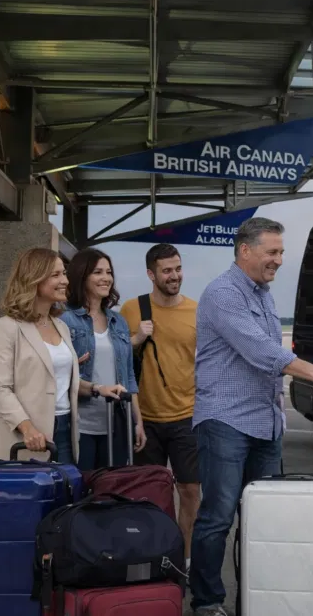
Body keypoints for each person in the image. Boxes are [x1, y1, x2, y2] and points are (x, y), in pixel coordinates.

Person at [189, 217, 313, 616]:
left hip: (265, 423)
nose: (278, 260)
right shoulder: (223, 293)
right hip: (225, 421)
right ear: (245, 250)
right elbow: (262, 352)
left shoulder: (262, 294)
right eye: (271, 252)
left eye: (281, 252)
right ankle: (207, 602)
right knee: (218, 517)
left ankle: (261, 597)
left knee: (266, 520)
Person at [0, 247, 126, 463]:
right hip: (25, 437)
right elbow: (0, 390)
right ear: (34, 279)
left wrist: (98, 388)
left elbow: (62, 381)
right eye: (56, 275)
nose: (66, 281)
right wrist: (27, 428)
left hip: (66, 430)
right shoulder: (5, 328)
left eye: (64, 274)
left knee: (66, 495)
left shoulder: (60, 325)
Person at [119, 243, 199, 567]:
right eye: (167, 270)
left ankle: (184, 557)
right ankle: (154, 554)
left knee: (191, 491)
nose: (174, 276)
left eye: (178, 268)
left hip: (187, 415)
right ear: (151, 274)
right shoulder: (132, 309)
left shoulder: (197, 310)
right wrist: (137, 339)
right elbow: (118, 361)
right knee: (149, 493)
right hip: (145, 419)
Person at [60, 248, 145, 470]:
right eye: (98, 272)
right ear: (82, 275)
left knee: (110, 493)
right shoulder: (66, 321)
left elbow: (127, 376)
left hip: (116, 423)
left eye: (108, 272)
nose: (106, 278)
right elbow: (61, 376)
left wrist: (137, 421)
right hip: (80, 425)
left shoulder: (119, 322)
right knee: (82, 492)